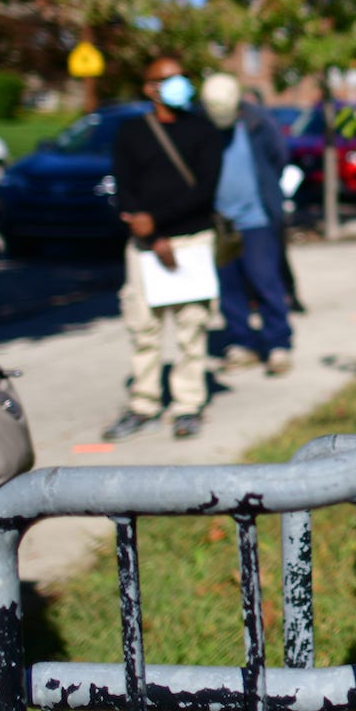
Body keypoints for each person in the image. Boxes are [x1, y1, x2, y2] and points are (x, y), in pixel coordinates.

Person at [103, 56, 224, 441]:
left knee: (192, 328)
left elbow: (204, 191)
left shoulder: (204, 131)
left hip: (192, 242)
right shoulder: (132, 133)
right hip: (144, 247)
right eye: (168, 79)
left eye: (182, 77)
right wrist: (150, 235)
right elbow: (125, 187)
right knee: (144, 328)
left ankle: (188, 404)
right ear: (150, 88)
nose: (179, 85)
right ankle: (144, 402)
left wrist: (160, 223)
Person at [200, 73, 296, 376]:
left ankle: (278, 343)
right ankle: (240, 343)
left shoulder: (258, 123)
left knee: (264, 280)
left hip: (257, 219)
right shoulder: (202, 126)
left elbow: (279, 157)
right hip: (221, 222)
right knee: (229, 286)